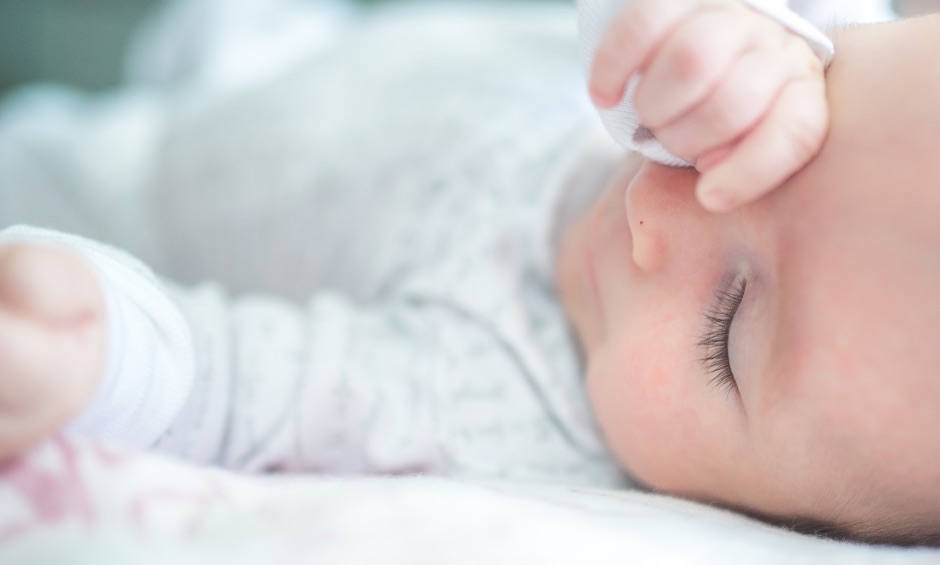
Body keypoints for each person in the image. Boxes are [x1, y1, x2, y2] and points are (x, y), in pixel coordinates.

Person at [2, 0, 935, 546]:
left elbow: (242, 387)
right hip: (312, 63)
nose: (656, 213)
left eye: (724, 329)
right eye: (763, 137)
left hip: (128, 178)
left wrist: (104, 345)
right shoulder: (836, 74)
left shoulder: (493, 407)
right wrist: (738, 40)